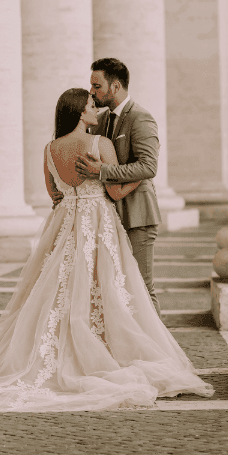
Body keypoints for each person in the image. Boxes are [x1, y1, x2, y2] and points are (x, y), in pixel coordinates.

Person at [0, 88, 213, 411]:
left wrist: (73, 198)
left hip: (64, 224)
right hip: (98, 223)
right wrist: (138, 182)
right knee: (106, 288)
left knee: (57, 290)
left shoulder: (49, 150)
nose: (95, 110)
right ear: (78, 113)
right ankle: (102, 352)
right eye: (89, 106)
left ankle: (59, 352)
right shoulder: (99, 144)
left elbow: (53, 193)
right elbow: (114, 192)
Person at [74, 58, 163, 317]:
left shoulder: (140, 117)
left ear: (114, 86)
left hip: (138, 215)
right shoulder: (100, 121)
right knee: (116, 287)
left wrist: (101, 171)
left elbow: (148, 167)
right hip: (108, 216)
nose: (91, 91)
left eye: (96, 85)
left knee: (143, 289)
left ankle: (157, 350)